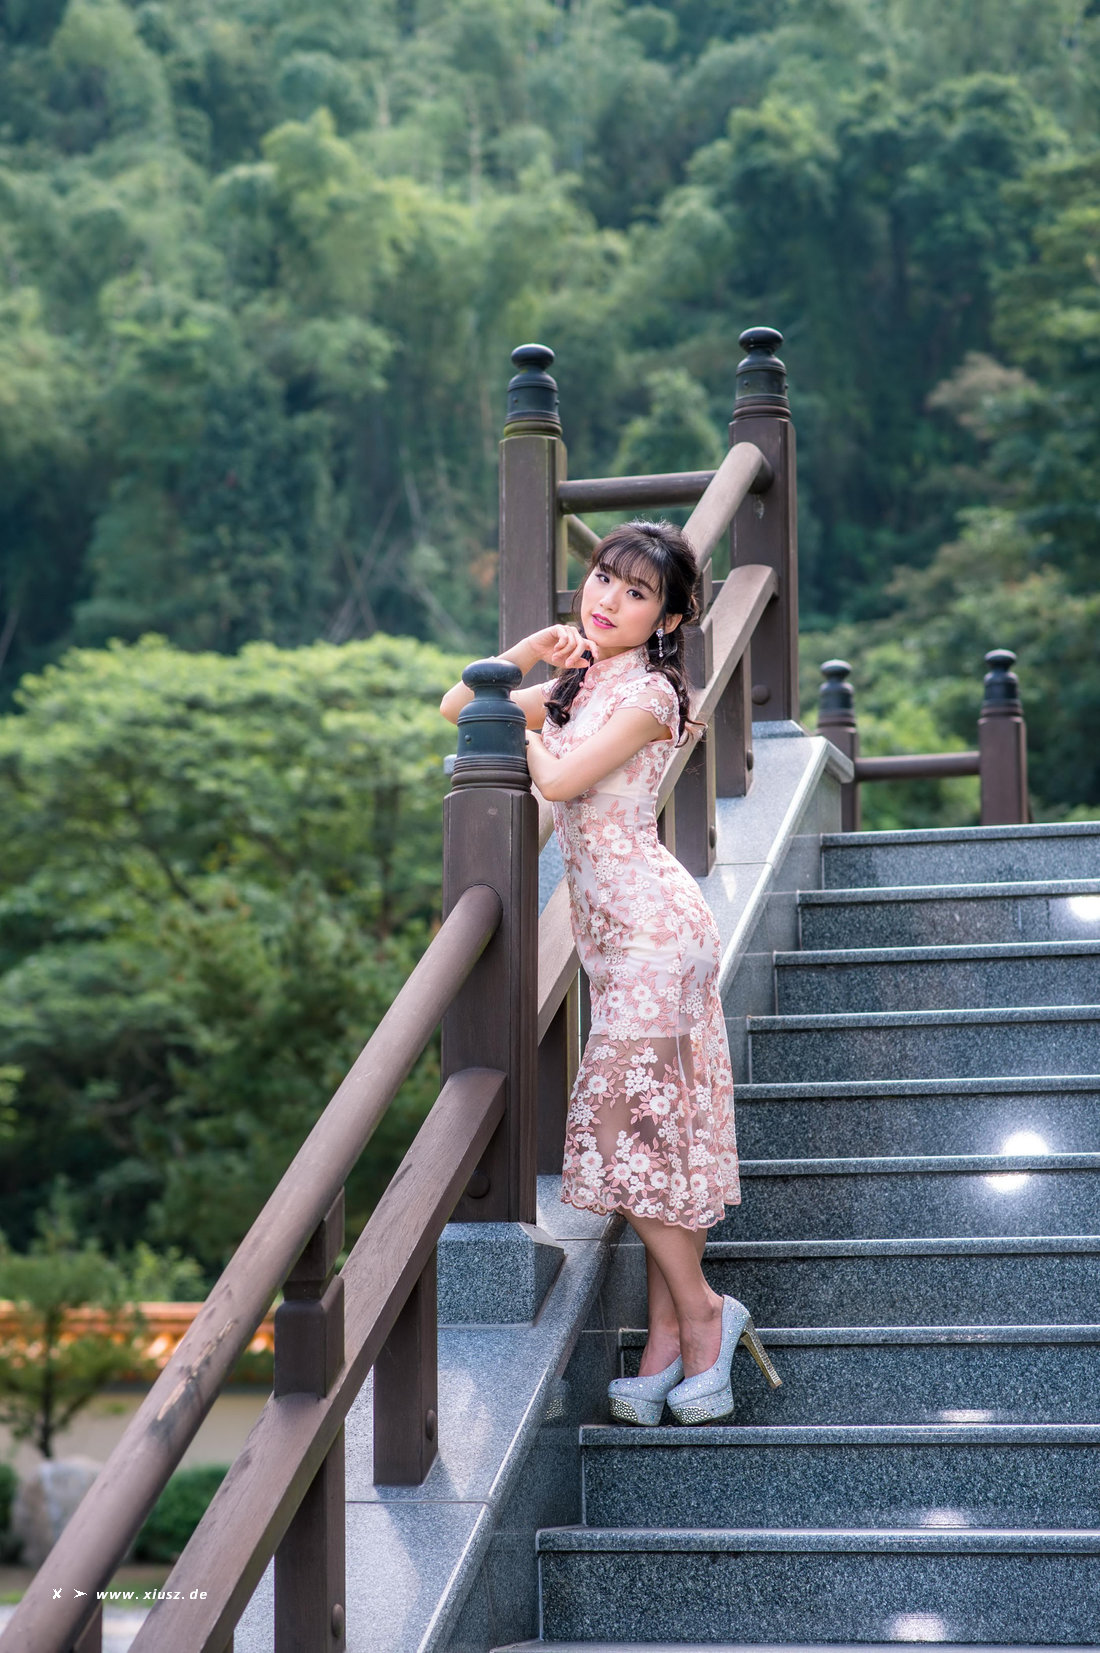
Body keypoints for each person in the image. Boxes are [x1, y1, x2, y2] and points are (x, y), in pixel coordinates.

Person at [440, 520, 780, 1424]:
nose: (609, 600)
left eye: (636, 593)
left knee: (620, 1124)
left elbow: (557, 783)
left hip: (656, 932)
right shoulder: (582, 679)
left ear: (668, 618)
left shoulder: (653, 695)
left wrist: (530, 726)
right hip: (617, 937)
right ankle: (670, 1339)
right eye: (601, 578)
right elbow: (456, 705)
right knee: (655, 1135)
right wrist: (527, 654)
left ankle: (703, 1311)